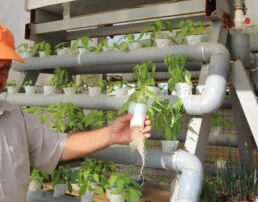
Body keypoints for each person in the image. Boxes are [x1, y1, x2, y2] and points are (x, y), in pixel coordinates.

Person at [0, 25, 151, 202]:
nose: (0, 77)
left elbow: (59, 146)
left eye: (4, 69)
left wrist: (111, 134)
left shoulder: (14, 116)